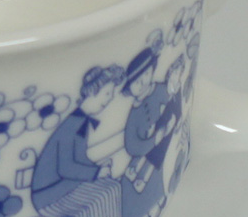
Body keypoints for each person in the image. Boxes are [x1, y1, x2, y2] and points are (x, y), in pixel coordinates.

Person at [31, 64, 125, 217]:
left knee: (113, 186)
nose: (110, 98)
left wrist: (98, 168)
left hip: (62, 185)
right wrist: (96, 172)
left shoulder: (81, 120)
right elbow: (66, 167)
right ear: (92, 91)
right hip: (49, 195)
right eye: (107, 93)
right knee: (102, 196)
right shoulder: (72, 124)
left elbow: (79, 158)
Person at [120, 48, 175, 217]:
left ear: (152, 71)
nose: (142, 82)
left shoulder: (161, 90)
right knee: (128, 184)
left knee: (156, 170)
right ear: (129, 89)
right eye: (136, 82)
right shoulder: (134, 113)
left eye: (146, 74)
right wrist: (152, 141)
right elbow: (131, 144)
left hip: (163, 147)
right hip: (143, 152)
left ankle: (155, 205)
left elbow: (172, 106)